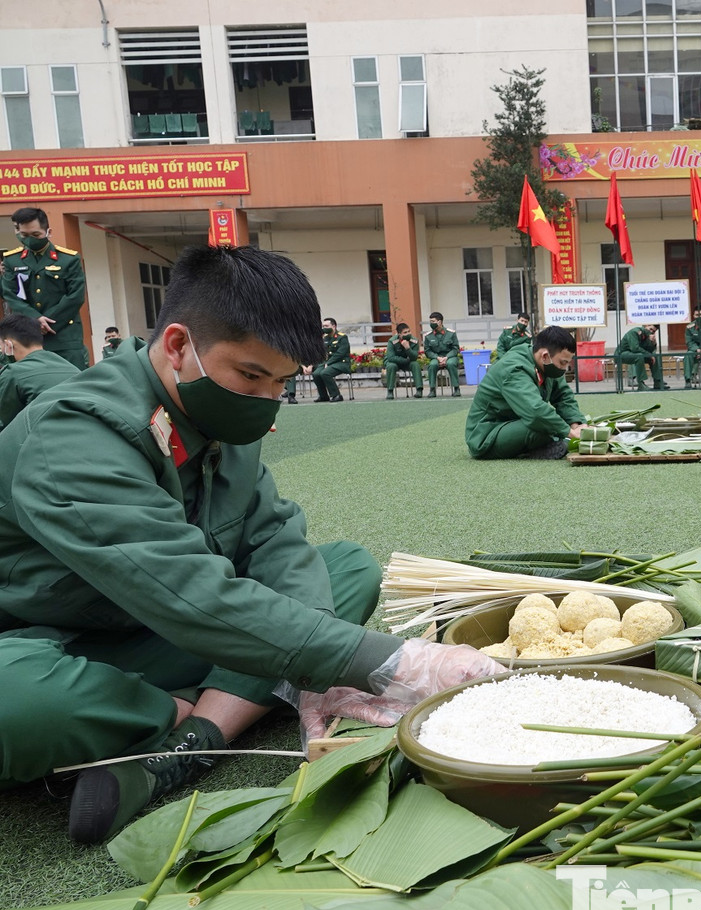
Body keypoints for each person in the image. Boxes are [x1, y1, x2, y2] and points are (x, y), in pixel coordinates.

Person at [0, 245, 503, 844]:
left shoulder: (219, 414)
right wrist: (385, 662)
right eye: (252, 375)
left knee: (344, 569)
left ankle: (189, 743)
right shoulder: (77, 430)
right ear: (179, 344)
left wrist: (320, 664)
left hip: (164, 634)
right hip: (50, 643)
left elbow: (270, 536)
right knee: (19, 706)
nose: (267, 402)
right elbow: (181, 589)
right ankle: (196, 717)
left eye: (282, 382)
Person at [465, 325, 584, 460]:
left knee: (550, 423)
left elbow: (563, 396)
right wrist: (571, 433)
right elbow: (535, 412)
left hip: (515, 423)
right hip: (487, 435)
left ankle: (538, 447)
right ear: (545, 356)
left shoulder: (545, 365)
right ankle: (537, 448)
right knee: (542, 425)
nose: (565, 368)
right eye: (563, 363)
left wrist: (577, 424)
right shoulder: (514, 368)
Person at [1, 207, 88, 369]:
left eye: (36, 235)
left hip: (64, 334)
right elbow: (10, 294)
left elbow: (75, 296)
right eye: (24, 235)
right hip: (27, 337)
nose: (30, 240)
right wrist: (34, 320)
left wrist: (46, 323)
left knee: (73, 382)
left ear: (48, 232)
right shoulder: (12, 260)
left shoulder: (68, 259)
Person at [0, 314, 79, 428]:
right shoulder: (70, 367)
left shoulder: (13, 373)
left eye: (1, 346)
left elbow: (5, 423)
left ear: (8, 344)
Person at [616, 323, 668, 391]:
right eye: (651, 329)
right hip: (622, 354)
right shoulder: (635, 332)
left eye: (653, 331)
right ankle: (641, 384)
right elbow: (635, 348)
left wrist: (653, 343)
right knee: (639, 356)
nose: (651, 331)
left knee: (655, 356)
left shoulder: (647, 336)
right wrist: (649, 355)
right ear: (646, 326)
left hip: (634, 354)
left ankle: (657, 381)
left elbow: (650, 350)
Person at [423, 311, 461, 397]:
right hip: (436, 358)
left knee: (451, 363)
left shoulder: (451, 333)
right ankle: (432, 390)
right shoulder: (428, 336)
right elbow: (427, 351)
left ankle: (456, 388)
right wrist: (437, 358)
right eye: (430, 321)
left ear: (439, 322)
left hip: (449, 356)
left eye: (433, 321)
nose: (431, 323)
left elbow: (455, 348)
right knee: (432, 365)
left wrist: (446, 357)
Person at [383, 322, 423, 400]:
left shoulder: (414, 341)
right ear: (399, 334)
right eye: (405, 332)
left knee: (415, 364)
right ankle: (390, 391)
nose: (408, 334)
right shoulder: (392, 341)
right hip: (395, 362)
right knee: (391, 365)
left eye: (409, 331)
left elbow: (414, 357)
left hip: (408, 362)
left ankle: (419, 390)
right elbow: (391, 357)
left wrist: (408, 348)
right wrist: (406, 360)